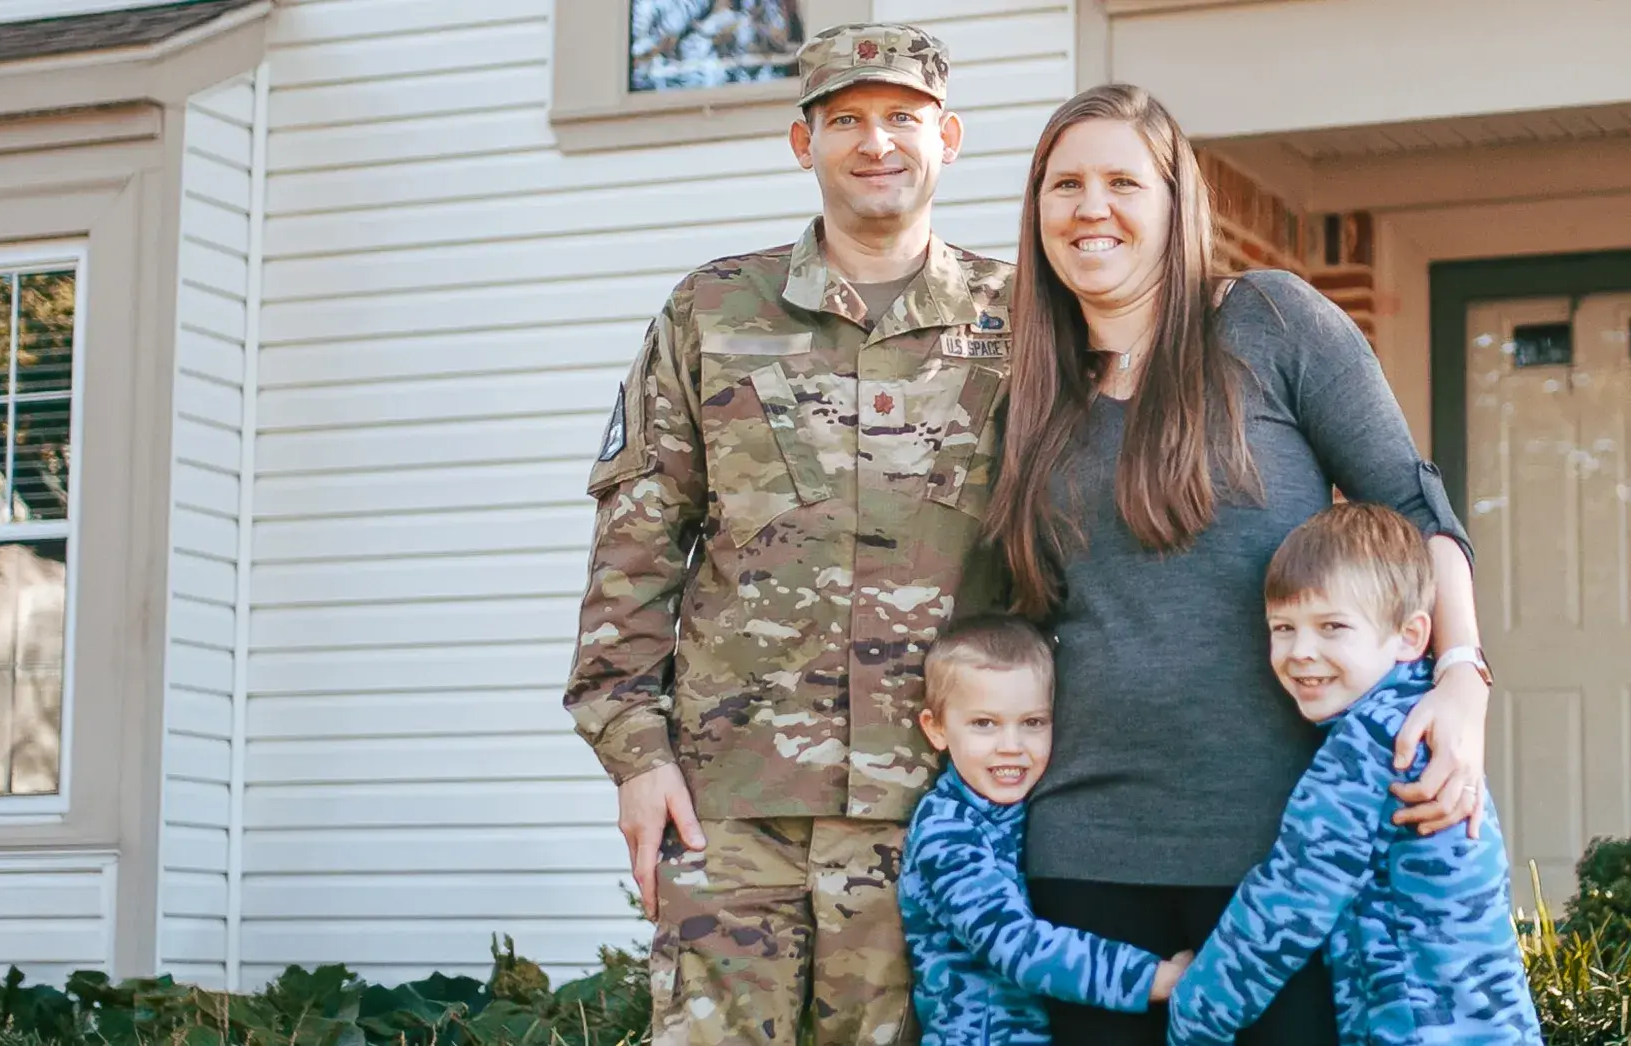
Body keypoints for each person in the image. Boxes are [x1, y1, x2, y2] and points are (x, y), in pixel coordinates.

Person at [981, 84, 1494, 1045]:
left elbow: (1418, 505)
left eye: (1123, 181)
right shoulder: (1031, 390)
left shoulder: (1270, 319)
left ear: (1178, 204)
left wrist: (1462, 678)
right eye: (1066, 185)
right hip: (1083, 856)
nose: (1092, 208)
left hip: (1283, 854)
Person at [562, 21, 1012, 1045]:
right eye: (845, 119)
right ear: (803, 143)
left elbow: (1069, 558)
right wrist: (636, 755)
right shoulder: (714, 311)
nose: (876, 143)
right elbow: (635, 550)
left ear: (948, 135)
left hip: (938, 808)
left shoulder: (1020, 320)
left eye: (902, 117)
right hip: (730, 805)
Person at [1165, 503, 1541, 1045]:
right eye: (1283, 628)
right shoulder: (1421, 722)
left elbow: (1289, 902)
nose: (1301, 652)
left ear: (1412, 637)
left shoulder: (1376, 744)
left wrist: (1194, 1011)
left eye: (1333, 627)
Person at [899, 614, 1192, 1043]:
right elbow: (1015, 945)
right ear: (937, 728)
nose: (1012, 746)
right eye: (984, 723)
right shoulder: (946, 831)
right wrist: (1156, 979)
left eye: (1033, 722)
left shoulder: (1028, 811)